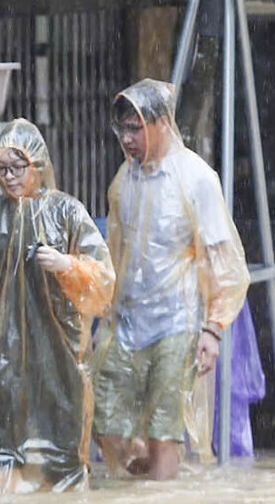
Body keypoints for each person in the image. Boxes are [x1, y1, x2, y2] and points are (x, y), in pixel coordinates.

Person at [0, 120, 114, 492]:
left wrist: (67, 266)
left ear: (38, 166)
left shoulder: (67, 212)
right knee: (0, 449)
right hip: (2, 357)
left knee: (62, 455)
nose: (9, 177)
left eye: (17, 167)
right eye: (2, 169)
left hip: (59, 355)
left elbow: (103, 281)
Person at [91, 79, 249, 480]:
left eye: (136, 127)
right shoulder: (124, 179)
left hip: (177, 323)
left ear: (162, 123)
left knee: (164, 428)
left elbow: (223, 260)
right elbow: (116, 253)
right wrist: (105, 319)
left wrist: (213, 329)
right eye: (122, 129)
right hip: (127, 321)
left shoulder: (196, 177)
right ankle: (147, 483)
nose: (127, 138)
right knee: (103, 417)